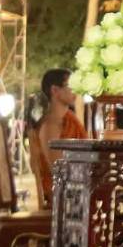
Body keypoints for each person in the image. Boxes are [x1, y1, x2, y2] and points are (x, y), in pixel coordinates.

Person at [33, 68, 86, 204]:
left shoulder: (70, 119)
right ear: (55, 90)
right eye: (70, 86)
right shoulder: (49, 125)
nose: (75, 90)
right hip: (62, 195)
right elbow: (58, 170)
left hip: (79, 184)